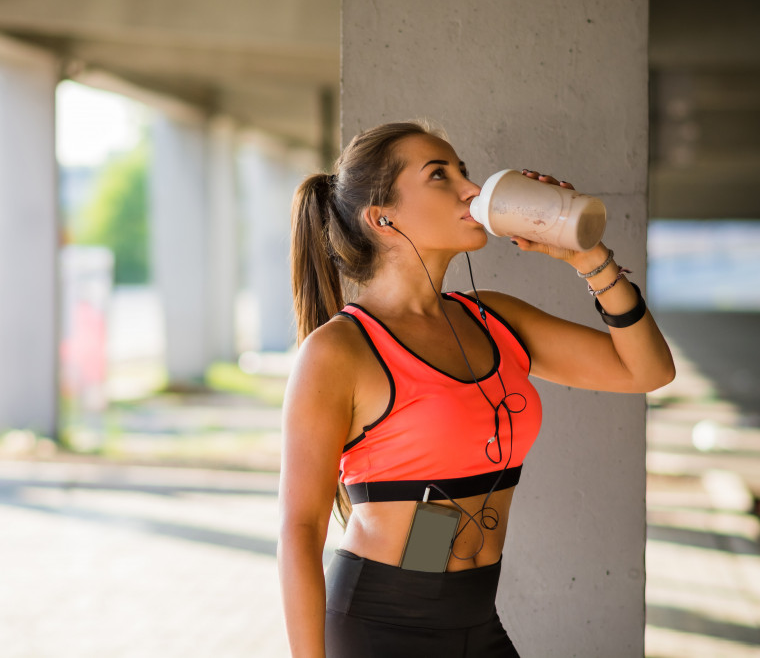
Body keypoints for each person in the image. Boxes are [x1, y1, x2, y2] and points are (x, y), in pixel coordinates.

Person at [277, 120, 675, 657]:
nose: (471, 188)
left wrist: (588, 258)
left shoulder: (494, 317)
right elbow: (300, 531)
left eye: (464, 171)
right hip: (380, 625)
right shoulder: (338, 351)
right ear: (382, 217)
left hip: (476, 617)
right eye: (440, 175)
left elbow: (646, 371)